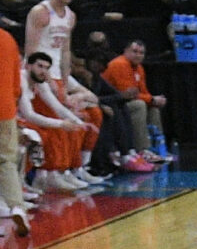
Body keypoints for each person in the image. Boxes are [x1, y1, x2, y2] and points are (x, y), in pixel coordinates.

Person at [21, 51, 96, 195]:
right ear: (28, 65)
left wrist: (78, 122)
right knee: (35, 136)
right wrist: (61, 124)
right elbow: (29, 115)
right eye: (40, 66)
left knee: (54, 132)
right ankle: (34, 178)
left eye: (46, 68)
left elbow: (56, 106)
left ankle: (52, 174)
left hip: (19, 120)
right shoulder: (21, 79)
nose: (43, 71)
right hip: (12, 120)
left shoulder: (39, 82)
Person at [102, 40, 166, 170]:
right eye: (134, 52)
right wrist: (152, 99)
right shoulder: (119, 64)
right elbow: (127, 93)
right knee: (139, 105)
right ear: (125, 52)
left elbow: (143, 92)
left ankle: (157, 147)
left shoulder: (139, 68)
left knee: (153, 108)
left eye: (141, 53)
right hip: (113, 103)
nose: (138, 55)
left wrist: (153, 100)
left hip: (125, 102)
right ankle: (141, 150)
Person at [0, 20, 21, 233]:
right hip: (6, 109)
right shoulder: (8, 39)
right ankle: (17, 206)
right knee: (6, 161)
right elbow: (16, 83)